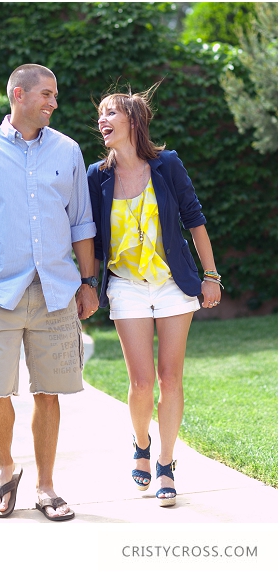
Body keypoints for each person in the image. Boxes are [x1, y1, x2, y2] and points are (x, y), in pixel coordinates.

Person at [0, 64, 99, 520]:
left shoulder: (67, 150)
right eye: (46, 94)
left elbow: (81, 224)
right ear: (18, 95)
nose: (53, 102)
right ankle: (5, 470)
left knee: (48, 392)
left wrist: (88, 284)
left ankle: (47, 487)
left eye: (54, 95)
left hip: (55, 293)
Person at [87, 84, 222, 507]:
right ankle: (141, 444)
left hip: (172, 285)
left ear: (134, 121)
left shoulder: (167, 165)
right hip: (125, 285)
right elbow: (88, 238)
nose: (102, 121)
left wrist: (211, 275)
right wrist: (88, 285)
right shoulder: (97, 176)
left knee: (170, 378)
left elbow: (194, 219)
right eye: (100, 115)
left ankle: (165, 463)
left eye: (111, 113)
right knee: (142, 383)